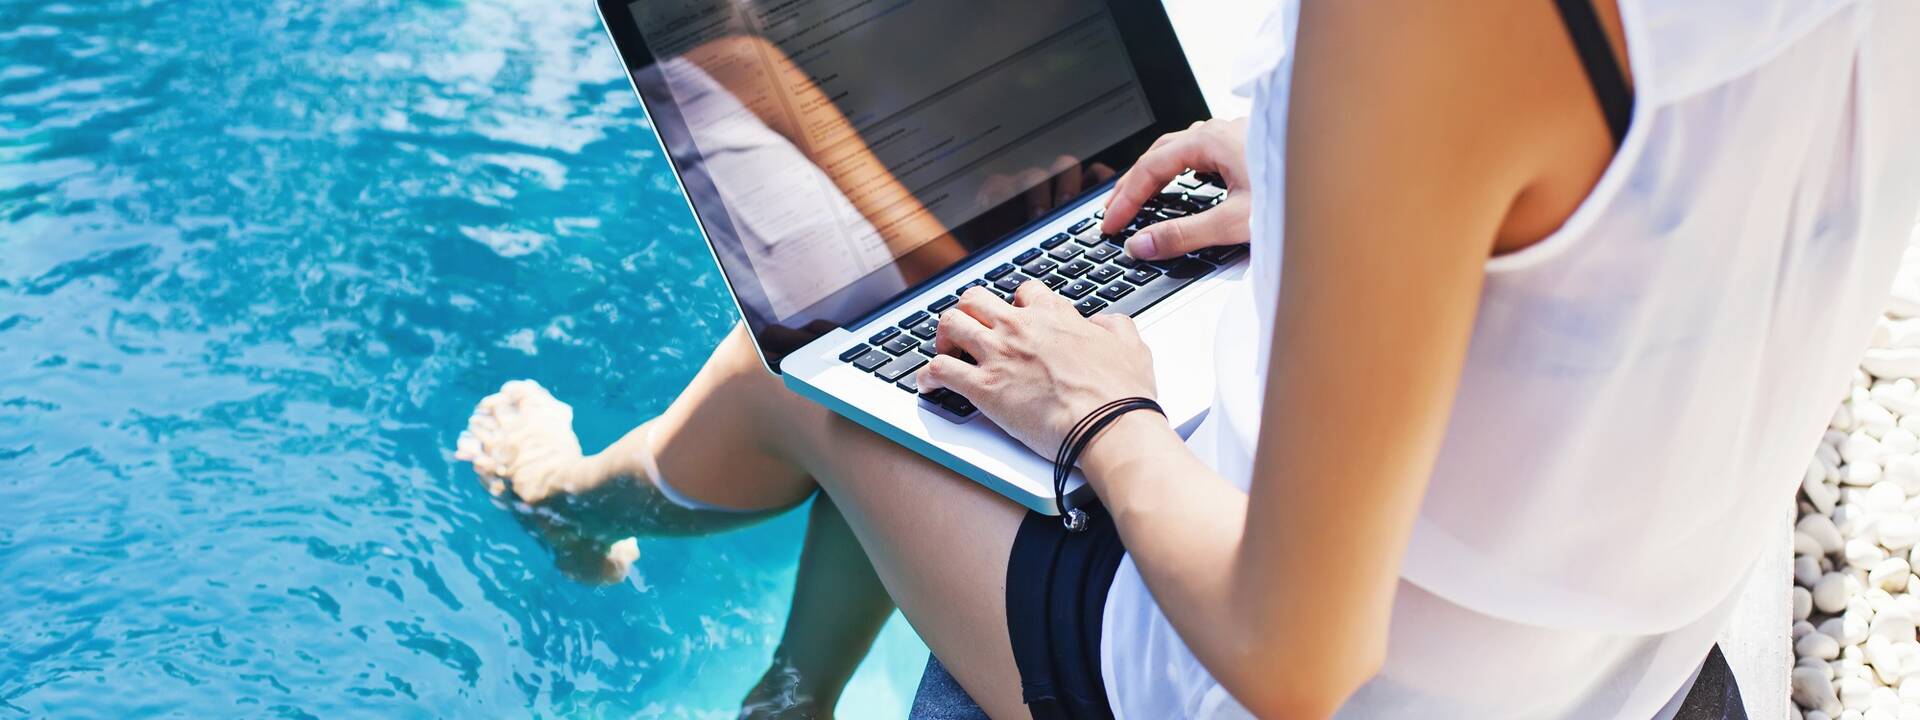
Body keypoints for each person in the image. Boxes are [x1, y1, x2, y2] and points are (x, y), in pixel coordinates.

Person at [458, 0, 1920, 716]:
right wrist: (1360, 199)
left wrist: (1103, 423)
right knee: (941, 335)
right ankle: (793, 687)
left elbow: (1295, 656)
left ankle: (577, 506)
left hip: (1342, 689)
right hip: (1619, 664)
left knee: (831, 356)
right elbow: (1668, 219)